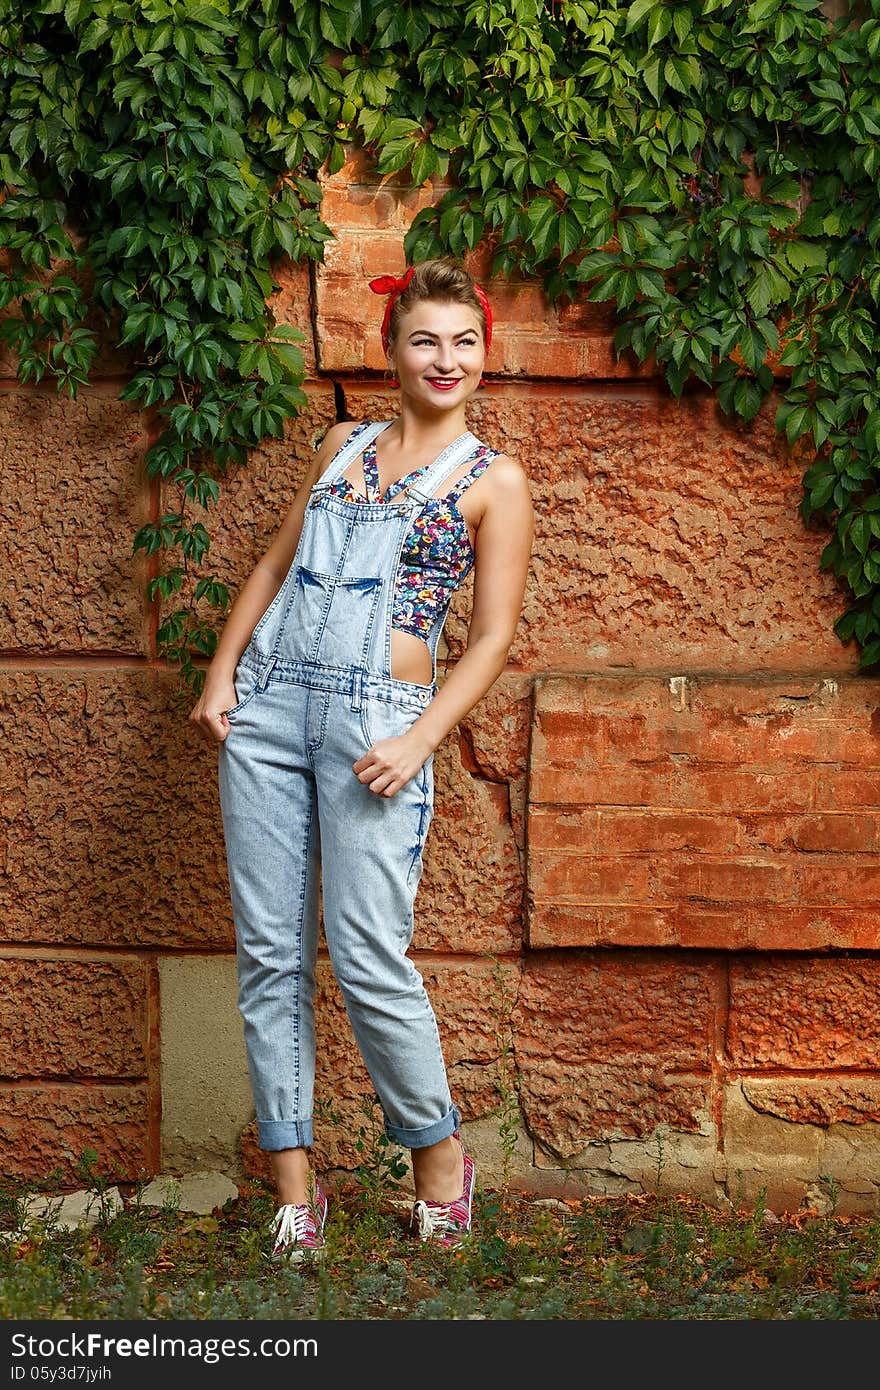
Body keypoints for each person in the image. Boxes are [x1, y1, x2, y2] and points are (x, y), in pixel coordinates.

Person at [189, 255, 534, 1259]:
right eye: (425, 338)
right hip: (271, 707)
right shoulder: (341, 445)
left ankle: (437, 1161)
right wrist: (223, 677)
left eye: (464, 342)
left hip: (378, 725)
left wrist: (418, 738)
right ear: (391, 349)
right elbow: (272, 562)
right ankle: (295, 1190)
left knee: (370, 952)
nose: (446, 358)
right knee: (269, 954)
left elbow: (493, 638)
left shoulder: (491, 480)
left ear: (482, 355)